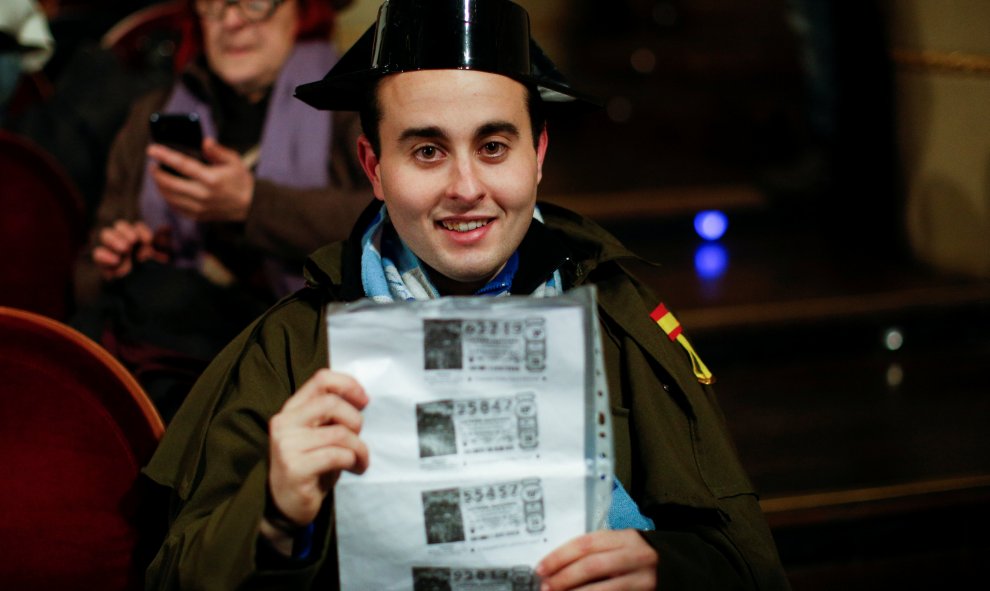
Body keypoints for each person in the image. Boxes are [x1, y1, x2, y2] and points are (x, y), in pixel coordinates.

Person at [143, 0, 791, 588]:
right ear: (373, 166)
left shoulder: (619, 319)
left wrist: (665, 569)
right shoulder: (291, 349)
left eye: (493, 145)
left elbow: (747, 561)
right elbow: (172, 575)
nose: (465, 186)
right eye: (427, 150)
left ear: (537, 153)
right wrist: (273, 516)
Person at [73, 0, 373, 422]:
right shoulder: (152, 116)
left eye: (255, 3)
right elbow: (85, 276)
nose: (231, 21)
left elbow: (395, 224)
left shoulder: (353, 106)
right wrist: (119, 259)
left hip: (304, 341)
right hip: (161, 336)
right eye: (214, 5)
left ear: (303, 10)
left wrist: (252, 204)